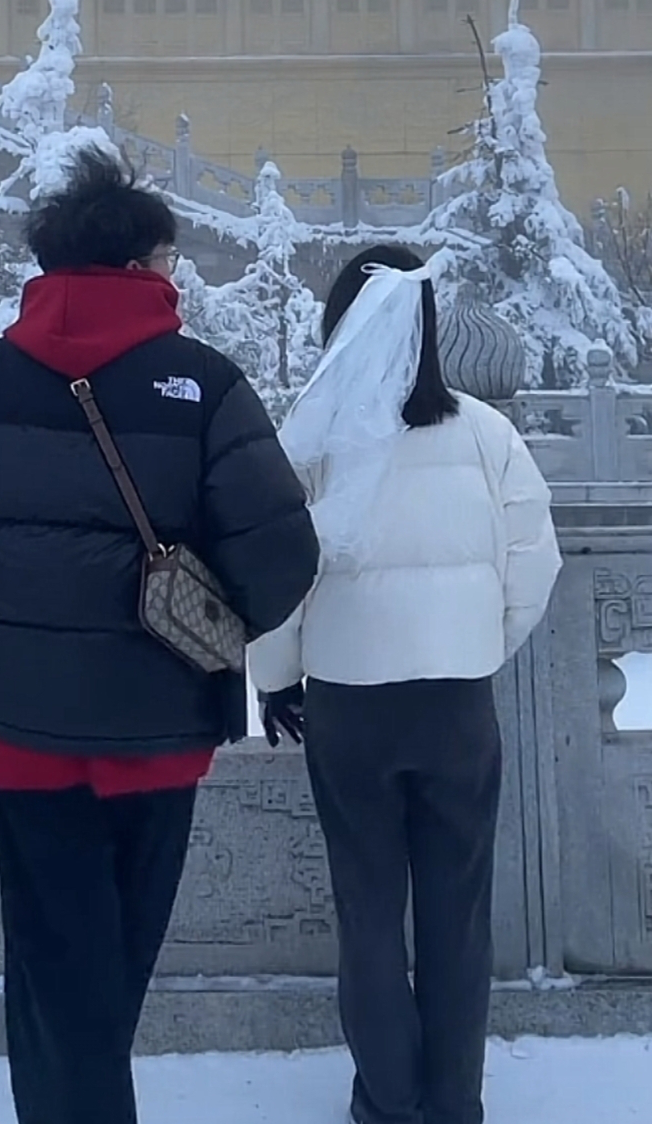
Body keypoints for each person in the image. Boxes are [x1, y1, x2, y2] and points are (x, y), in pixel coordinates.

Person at [0, 147, 319, 1124]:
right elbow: (282, 555)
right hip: (158, 718)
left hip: (14, 723)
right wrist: (210, 617)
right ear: (142, 266)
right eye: (170, 257)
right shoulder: (205, 386)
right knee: (109, 960)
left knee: (56, 958)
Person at [250, 243, 561, 1124]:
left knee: (370, 913)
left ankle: (388, 1101)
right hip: (457, 708)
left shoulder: (314, 444)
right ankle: (455, 1101)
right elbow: (536, 565)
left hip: (349, 706)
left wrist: (276, 679)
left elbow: (276, 575)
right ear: (428, 327)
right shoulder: (486, 434)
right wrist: (473, 647)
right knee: (459, 915)